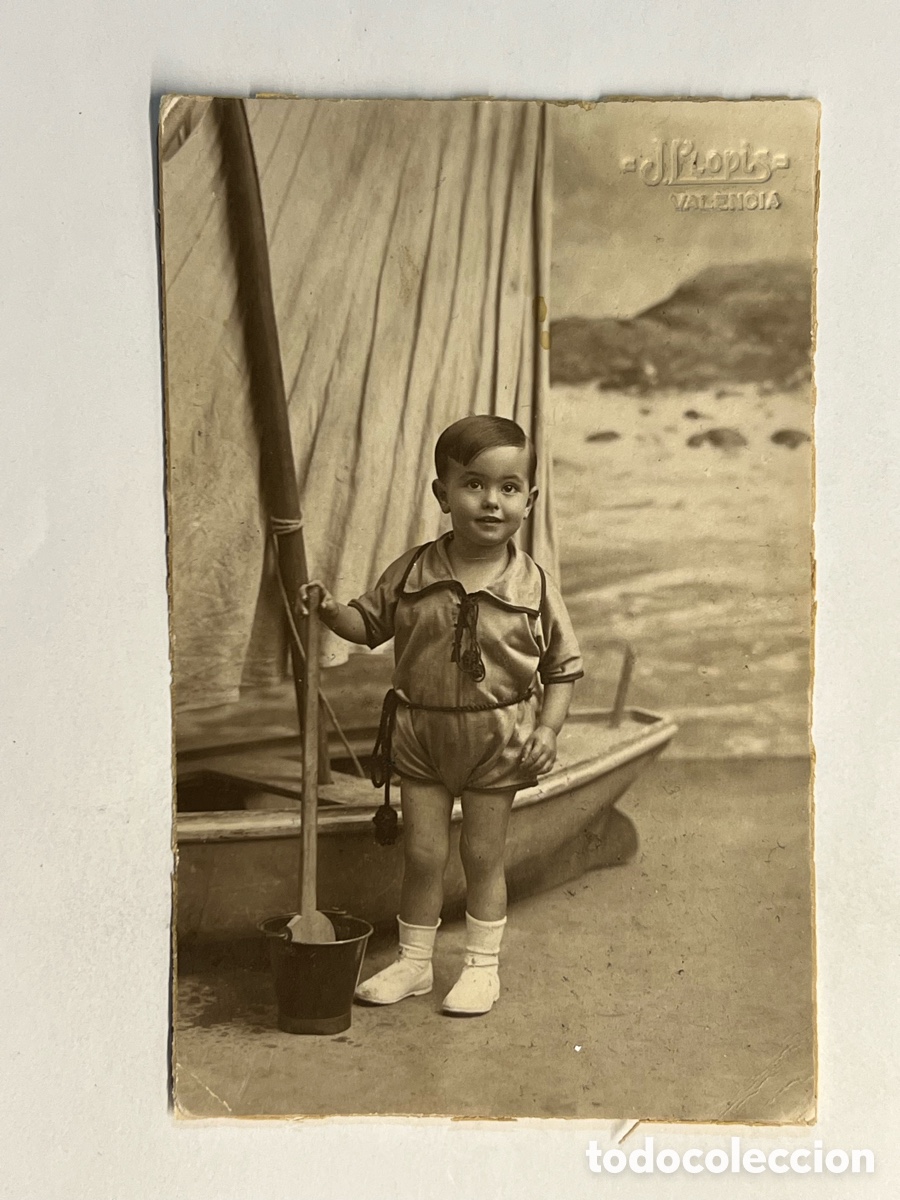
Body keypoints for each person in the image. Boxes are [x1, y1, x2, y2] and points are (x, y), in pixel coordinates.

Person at [300, 415, 583, 1016]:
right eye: (473, 484)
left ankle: (481, 969)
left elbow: (562, 669)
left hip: (497, 736)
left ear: (529, 501)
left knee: (482, 855)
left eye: (509, 489)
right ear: (441, 494)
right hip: (420, 736)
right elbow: (367, 625)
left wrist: (548, 728)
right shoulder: (410, 571)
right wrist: (328, 611)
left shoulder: (533, 583)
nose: (491, 501)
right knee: (423, 854)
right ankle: (414, 964)